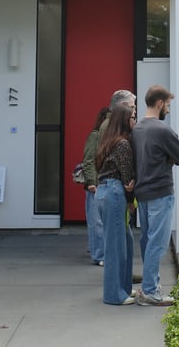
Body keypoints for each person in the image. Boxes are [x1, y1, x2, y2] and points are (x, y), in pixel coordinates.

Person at [131, 85, 179, 306]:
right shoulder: (163, 130)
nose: (169, 110)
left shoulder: (137, 128)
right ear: (160, 103)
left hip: (142, 193)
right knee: (158, 243)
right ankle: (150, 293)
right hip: (160, 192)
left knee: (148, 241)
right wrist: (169, 158)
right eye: (168, 105)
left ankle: (150, 286)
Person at [94, 102, 137, 305]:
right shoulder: (123, 144)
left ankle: (124, 288)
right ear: (124, 120)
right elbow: (127, 177)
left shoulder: (108, 141)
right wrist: (131, 200)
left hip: (104, 191)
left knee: (124, 242)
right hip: (114, 192)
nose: (135, 121)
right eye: (133, 117)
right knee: (115, 246)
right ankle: (114, 295)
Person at [82, 106, 110, 266]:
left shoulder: (106, 138)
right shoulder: (95, 136)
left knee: (100, 222)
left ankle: (99, 252)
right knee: (96, 222)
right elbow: (88, 160)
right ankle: (99, 255)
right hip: (96, 185)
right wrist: (92, 182)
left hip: (103, 184)